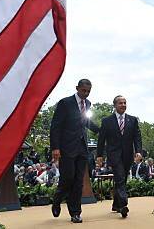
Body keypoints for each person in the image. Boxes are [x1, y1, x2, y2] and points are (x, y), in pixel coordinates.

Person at [50, 79, 100, 224]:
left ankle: (75, 213)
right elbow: (56, 126)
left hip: (82, 148)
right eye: (83, 90)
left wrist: (101, 131)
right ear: (77, 88)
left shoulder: (88, 104)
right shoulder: (65, 103)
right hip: (66, 148)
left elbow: (85, 122)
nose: (86, 93)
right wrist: (55, 147)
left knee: (79, 182)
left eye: (88, 91)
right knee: (68, 178)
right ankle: (57, 199)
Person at [96, 95, 142, 218]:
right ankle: (123, 205)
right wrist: (99, 155)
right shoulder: (106, 121)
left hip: (128, 155)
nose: (123, 105)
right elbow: (101, 139)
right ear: (115, 105)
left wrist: (138, 151)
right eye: (120, 103)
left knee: (122, 179)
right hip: (114, 155)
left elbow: (137, 137)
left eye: (125, 103)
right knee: (120, 177)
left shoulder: (132, 120)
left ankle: (116, 204)